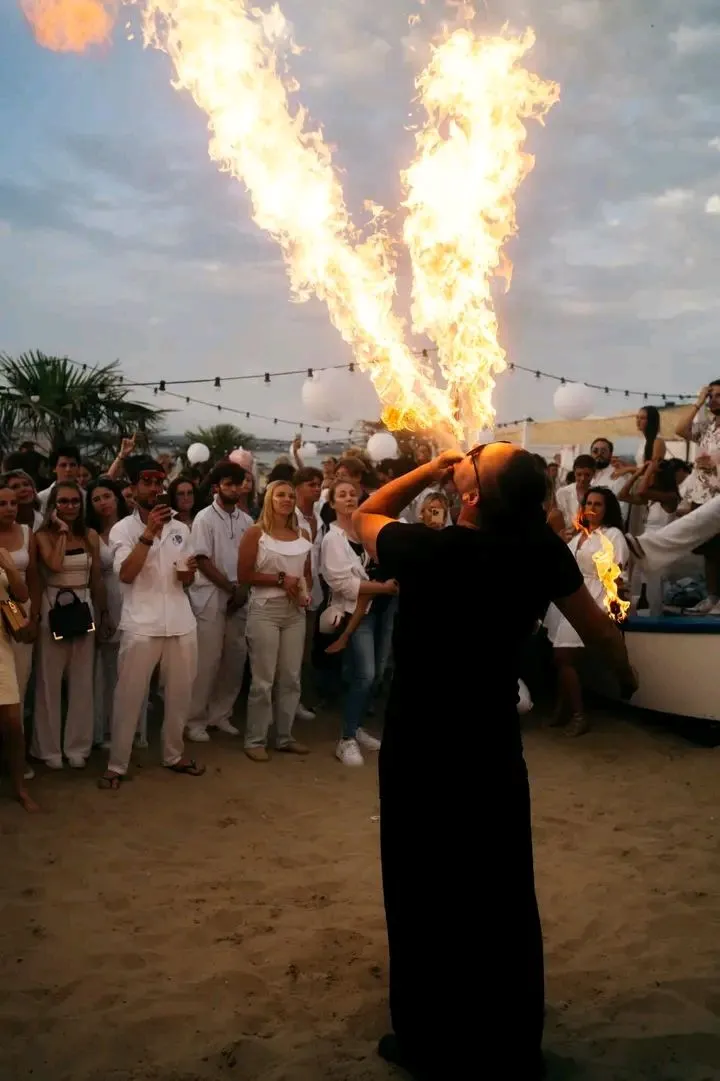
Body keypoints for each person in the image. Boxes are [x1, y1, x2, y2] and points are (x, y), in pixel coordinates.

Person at [352, 443, 637, 1081]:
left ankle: (427, 1040)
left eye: (477, 460)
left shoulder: (430, 550)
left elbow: (364, 514)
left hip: (423, 746)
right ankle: (511, 1043)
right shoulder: (539, 550)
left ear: (472, 495)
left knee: (423, 889)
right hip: (491, 743)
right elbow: (599, 629)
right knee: (500, 891)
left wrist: (428, 469)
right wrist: (626, 676)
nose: (469, 454)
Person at [99, 456, 204, 790]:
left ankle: (174, 754)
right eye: (147, 483)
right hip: (141, 624)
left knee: (180, 695)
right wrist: (148, 534)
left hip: (181, 622)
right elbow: (126, 575)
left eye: (159, 483)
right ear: (132, 488)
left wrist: (188, 574)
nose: (155, 489)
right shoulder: (123, 529)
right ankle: (117, 764)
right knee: (129, 697)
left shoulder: (180, 528)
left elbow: (186, 579)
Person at [320, 480, 398, 766]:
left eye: (353, 494)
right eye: (342, 495)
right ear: (332, 503)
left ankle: (356, 726)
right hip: (357, 613)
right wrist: (384, 588)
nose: (349, 498)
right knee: (364, 674)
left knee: (374, 674)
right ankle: (347, 738)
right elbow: (342, 584)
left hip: (383, 610)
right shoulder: (333, 539)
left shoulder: (367, 530)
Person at [32, 481, 108, 770]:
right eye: (63, 501)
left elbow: (96, 577)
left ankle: (77, 745)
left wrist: (103, 613)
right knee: (49, 682)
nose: (70, 506)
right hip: (54, 606)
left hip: (83, 605)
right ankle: (48, 748)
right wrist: (62, 532)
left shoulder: (90, 535)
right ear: (53, 506)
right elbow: (54, 565)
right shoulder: (42, 536)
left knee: (82, 680)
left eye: (75, 501)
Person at [238, 480, 312, 761]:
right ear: (269, 498)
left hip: (295, 612)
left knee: (291, 677)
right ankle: (255, 739)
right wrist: (281, 580)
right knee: (263, 680)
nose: (286, 499)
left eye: (290, 495)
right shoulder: (255, 533)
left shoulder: (303, 533)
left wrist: (305, 593)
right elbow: (244, 575)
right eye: (280, 495)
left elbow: (306, 572)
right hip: (265, 610)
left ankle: (284, 736)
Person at [545, 487, 629, 735]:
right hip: (574, 597)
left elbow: (619, 574)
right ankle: (564, 708)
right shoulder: (579, 536)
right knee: (563, 658)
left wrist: (613, 610)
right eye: (588, 503)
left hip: (596, 598)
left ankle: (578, 715)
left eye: (598, 504)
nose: (591, 508)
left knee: (563, 656)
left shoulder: (613, 535)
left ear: (607, 509)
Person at [186, 462, 253, 743]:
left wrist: (242, 590)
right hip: (212, 595)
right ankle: (194, 720)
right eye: (229, 484)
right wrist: (230, 589)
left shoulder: (247, 521)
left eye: (238, 484)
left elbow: (253, 559)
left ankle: (220, 714)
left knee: (234, 659)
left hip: (240, 596)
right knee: (207, 661)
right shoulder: (204, 518)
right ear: (216, 487)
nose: (234, 489)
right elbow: (201, 559)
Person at [85, 476, 138, 748]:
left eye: (106, 496)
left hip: (135, 596)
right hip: (106, 597)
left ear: (117, 497)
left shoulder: (132, 527)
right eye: (96, 499)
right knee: (106, 670)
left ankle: (131, 729)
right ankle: (105, 729)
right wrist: (103, 612)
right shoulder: (91, 534)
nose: (102, 502)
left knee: (132, 667)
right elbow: (94, 576)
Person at [0, 482, 40, 783]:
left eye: (13, 503)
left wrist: (33, 617)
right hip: (3, 610)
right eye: (2, 504)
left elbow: (33, 580)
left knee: (19, 690)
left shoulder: (27, 533)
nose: (10, 508)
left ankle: (16, 759)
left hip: (19, 615)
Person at [673, 382, 720, 613]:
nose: (713, 399)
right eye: (711, 396)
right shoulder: (707, 427)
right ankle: (712, 598)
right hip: (703, 497)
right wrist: (698, 402)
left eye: (718, 395)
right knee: (710, 551)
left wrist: (715, 465)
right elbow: (680, 429)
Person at [293, 467, 324, 721]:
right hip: (292, 589)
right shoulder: (288, 516)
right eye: (311, 484)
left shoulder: (319, 517)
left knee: (305, 649)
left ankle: (297, 700)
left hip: (314, 591)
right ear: (298, 487)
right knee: (289, 651)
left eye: (319, 484)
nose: (316, 488)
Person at [555, 454, 596, 533]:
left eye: (587, 475)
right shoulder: (562, 493)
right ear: (574, 473)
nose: (583, 478)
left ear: (593, 474)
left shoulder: (597, 495)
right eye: (579, 474)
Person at [37, 445, 82, 512]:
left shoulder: (85, 495)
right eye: (63, 465)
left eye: (72, 465)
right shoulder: (42, 497)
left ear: (78, 468)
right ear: (54, 468)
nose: (68, 469)